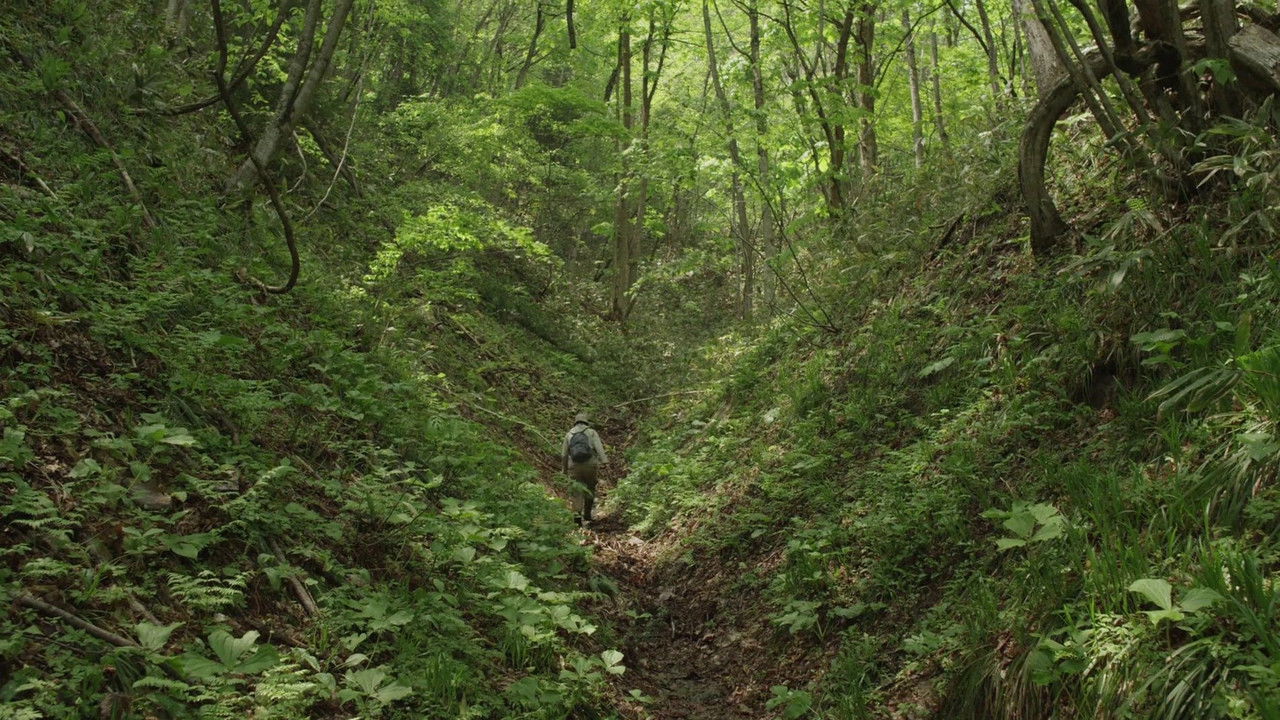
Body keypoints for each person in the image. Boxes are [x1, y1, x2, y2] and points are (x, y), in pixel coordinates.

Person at [561, 412, 607, 526]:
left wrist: (564, 470)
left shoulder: (569, 434)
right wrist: (605, 461)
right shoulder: (591, 432)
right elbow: (599, 448)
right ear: (586, 422)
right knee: (590, 488)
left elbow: (564, 455)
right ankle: (587, 515)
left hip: (574, 466)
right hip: (590, 465)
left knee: (576, 491)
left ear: (575, 422)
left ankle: (577, 519)